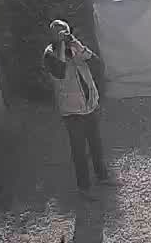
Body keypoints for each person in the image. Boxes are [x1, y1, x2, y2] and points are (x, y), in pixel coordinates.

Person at [42, 18, 113, 196]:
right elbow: (59, 72)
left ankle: (102, 177)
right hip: (72, 111)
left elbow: (97, 64)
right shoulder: (50, 54)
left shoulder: (75, 47)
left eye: (65, 32)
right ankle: (84, 188)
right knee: (79, 151)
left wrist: (78, 47)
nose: (63, 36)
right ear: (52, 36)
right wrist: (60, 50)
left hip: (90, 105)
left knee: (96, 144)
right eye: (59, 34)